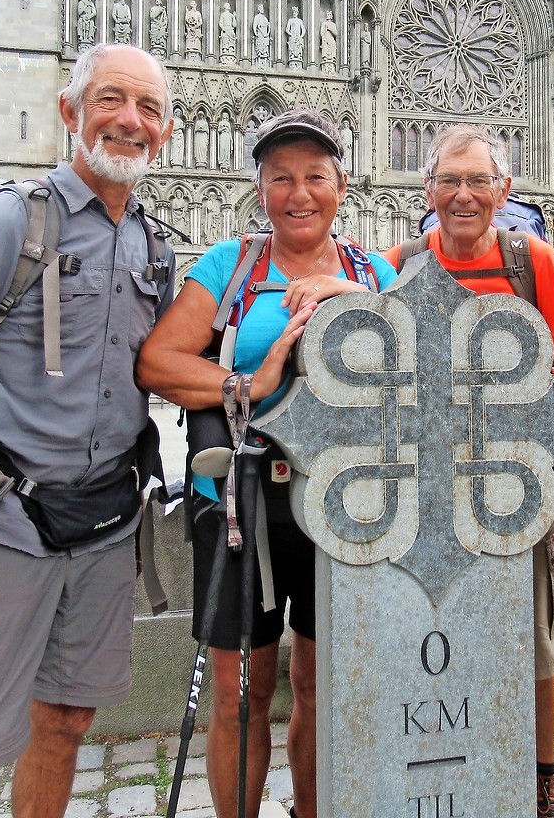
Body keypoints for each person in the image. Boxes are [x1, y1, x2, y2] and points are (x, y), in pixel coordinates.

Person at [0, 43, 175, 818]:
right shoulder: (6, 223)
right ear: (69, 111)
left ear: (168, 131)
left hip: (104, 529)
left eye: (149, 108)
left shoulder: (154, 245)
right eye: (111, 99)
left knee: (65, 725)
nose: (129, 120)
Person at [136, 109, 398, 818]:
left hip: (343, 504)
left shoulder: (370, 269)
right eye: (281, 177)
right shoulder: (230, 265)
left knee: (321, 683)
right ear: (260, 190)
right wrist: (246, 386)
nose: (299, 192)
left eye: (315, 176)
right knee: (238, 690)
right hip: (238, 500)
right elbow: (157, 361)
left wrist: (351, 296)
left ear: (342, 186)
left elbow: (417, 366)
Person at [381, 125, 554, 818]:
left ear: (504, 190)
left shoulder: (529, 260)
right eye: (449, 180)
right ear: (428, 188)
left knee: (532, 642)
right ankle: (439, 766)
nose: (463, 195)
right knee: (428, 636)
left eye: (479, 181)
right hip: (426, 496)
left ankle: (542, 781)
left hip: (513, 485)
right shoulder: (401, 261)